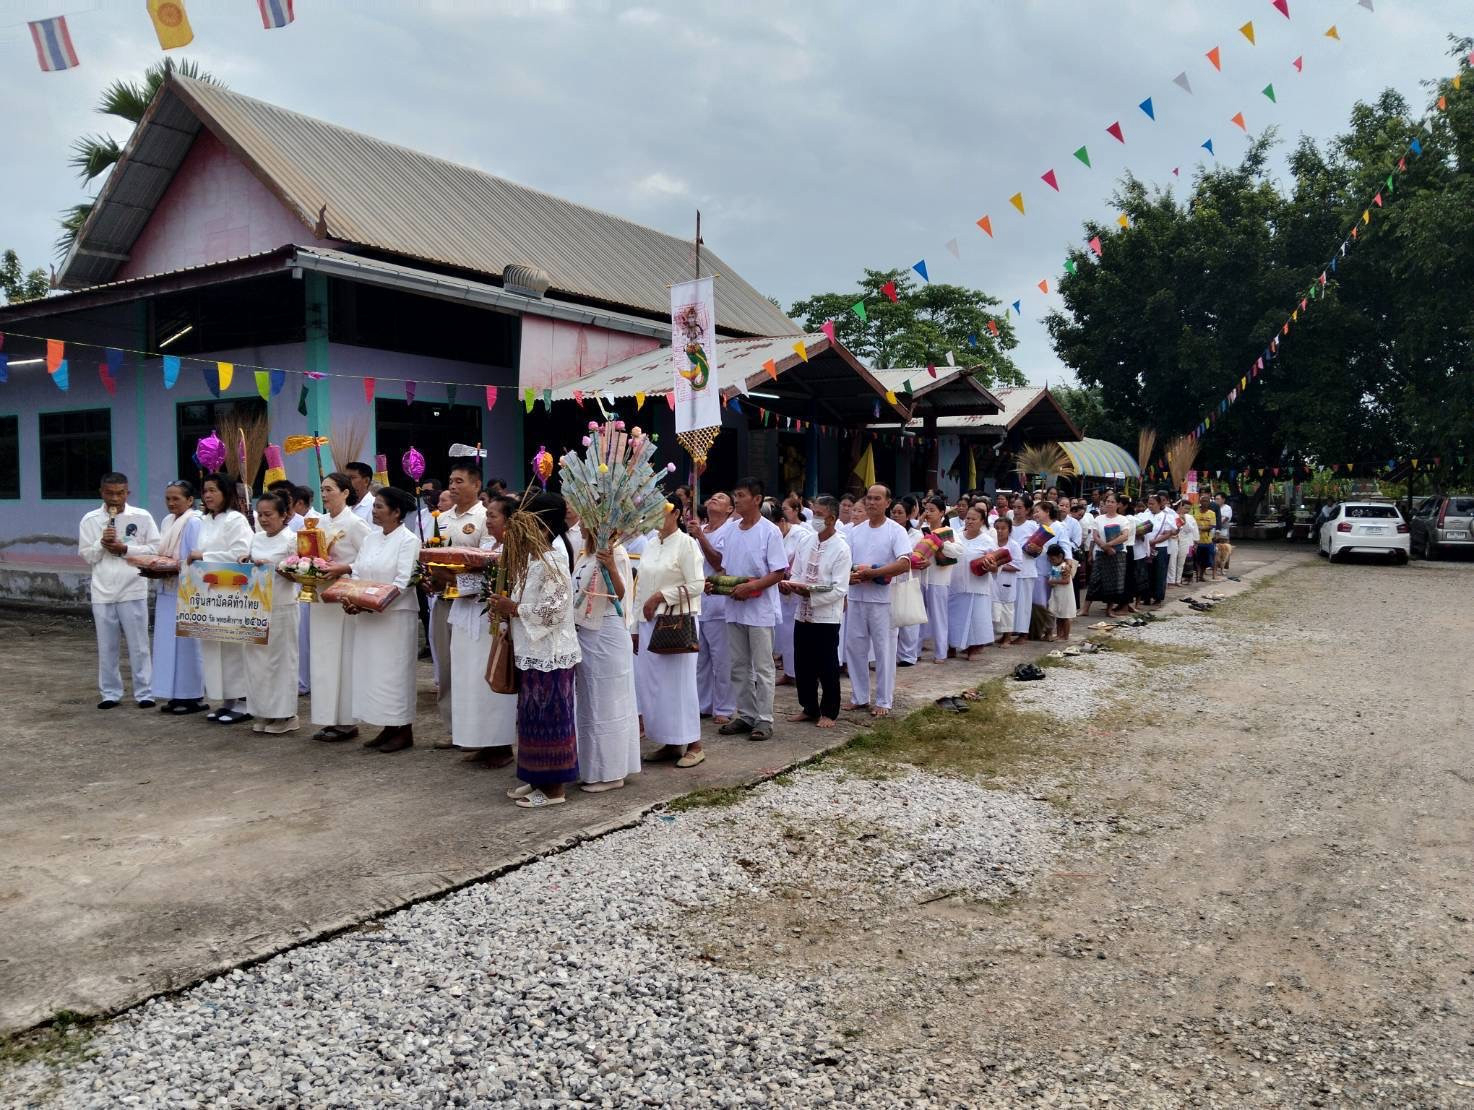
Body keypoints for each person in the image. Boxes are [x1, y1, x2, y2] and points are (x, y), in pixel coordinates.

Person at [491, 493, 581, 809]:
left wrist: (514, 608)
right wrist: (505, 608)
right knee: (531, 718)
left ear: (541, 525)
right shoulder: (533, 558)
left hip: (551, 653)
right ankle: (537, 777)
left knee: (550, 719)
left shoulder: (553, 559)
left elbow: (555, 610)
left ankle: (554, 788)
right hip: (532, 650)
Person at [342, 486, 422, 752]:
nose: (374, 511)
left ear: (396, 512)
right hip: (369, 617)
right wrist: (352, 598)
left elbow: (404, 582)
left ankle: (403, 729)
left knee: (395, 673)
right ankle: (387, 726)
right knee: (373, 672)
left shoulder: (409, 540)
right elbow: (357, 572)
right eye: (374, 506)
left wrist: (371, 603)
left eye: (379, 506)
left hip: (395, 617)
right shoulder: (371, 538)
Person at [713, 478, 788, 741]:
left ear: (756, 499)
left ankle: (764, 719)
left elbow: (778, 572)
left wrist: (752, 587)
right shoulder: (731, 530)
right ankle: (746, 714)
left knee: (763, 667)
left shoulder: (770, 531)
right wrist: (716, 584)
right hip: (734, 607)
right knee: (739, 665)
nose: (737, 500)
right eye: (735, 494)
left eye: (742, 495)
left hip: (760, 610)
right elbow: (725, 568)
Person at [80, 472, 160, 710]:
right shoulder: (90, 520)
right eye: (110, 493)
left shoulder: (142, 516)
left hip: (132, 587)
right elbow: (87, 556)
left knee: (139, 645)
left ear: (128, 493)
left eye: (120, 493)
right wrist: (101, 543)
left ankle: (145, 692)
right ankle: (110, 693)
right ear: (101, 493)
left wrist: (125, 548)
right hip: (103, 590)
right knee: (107, 646)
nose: (115, 498)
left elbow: (155, 548)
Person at [449, 493, 518, 768]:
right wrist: (450, 578)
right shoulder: (486, 544)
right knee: (467, 681)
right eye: (486, 515)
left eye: (493, 516)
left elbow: (507, 584)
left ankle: (500, 745)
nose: (487, 521)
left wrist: (460, 580)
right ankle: (478, 740)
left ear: (509, 520)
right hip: (466, 616)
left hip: (492, 622)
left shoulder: (515, 549)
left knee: (491, 680)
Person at [635, 501, 706, 767]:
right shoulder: (651, 544)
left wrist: (661, 596)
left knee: (680, 685)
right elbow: (640, 588)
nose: (655, 517)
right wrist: (634, 627)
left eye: (661, 512)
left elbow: (697, 584)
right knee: (655, 687)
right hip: (648, 622)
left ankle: (695, 744)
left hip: (677, 622)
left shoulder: (686, 544)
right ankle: (671, 741)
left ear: (676, 513)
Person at [572, 532, 639, 792]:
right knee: (589, 703)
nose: (581, 525)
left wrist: (610, 565)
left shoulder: (616, 552)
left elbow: (620, 593)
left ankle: (611, 772)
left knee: (608, 704)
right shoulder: (585, 554)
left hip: (606, 633)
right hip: (586, 634)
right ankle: (591, 768)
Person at [426, 461, 487, 749]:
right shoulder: (441, 518)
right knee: (447, 666)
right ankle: (453, 727)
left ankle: (476, 728)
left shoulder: (485, 517)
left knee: (472, 666)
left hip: (473, 603)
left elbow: (487, 562)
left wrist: (453, 576)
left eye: (460, 481)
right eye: (451, 480)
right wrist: (431, 578)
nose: (453, 486)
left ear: (476, 485)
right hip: (444, 600)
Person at [309, 472, 372, 743]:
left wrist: (345, 568)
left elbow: (368, 560)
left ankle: (346, 721)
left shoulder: (356, 524)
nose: (324, 495)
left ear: (346, 492)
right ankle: (328, 717)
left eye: (330, 489)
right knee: (323, 659)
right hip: (321, 597)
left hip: (344, 599)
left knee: (344, 659)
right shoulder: (318, 523)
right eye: (322, 489)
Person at [188, 472, 254, 724]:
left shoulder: (235, 519)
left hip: (231, 592)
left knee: (234, 647)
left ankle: (244, 702)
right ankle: (226, 700)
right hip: (209, 593)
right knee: (214, 647)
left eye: (213, 490)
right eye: (205, 490)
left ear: (226, 493)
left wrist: (204, 556)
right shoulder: (204, 520)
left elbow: (241, 553)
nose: (207, 495)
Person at [844, 484, 913, 718]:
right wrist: (850, 576)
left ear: (887, 503)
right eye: (869, 498)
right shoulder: (855, 531)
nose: (872, 502)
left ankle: (884, 699)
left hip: (884, 600)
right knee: (855, 648)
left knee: (884, 651)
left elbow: (904, 563)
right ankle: (859, 697)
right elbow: (844, 561)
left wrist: (873, 573)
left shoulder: (896, 531)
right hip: (856, 597)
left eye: (877, 499)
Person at [783, 495, 850, 727]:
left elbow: (839, 588)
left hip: (826, 616)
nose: (815, 519)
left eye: (820, 515)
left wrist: (811, 594)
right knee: (803, 663)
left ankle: (829, 711)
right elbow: (797, 572)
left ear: (832, 518)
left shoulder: (841, 548)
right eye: (815, 513)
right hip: (802, 613)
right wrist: (793, 586)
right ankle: (809, 707)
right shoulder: (807, 541)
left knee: (827, 664)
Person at [243, 491, 301, 734]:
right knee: (256, 662)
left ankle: (286, 715)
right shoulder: (256, 538)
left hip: (282, 605)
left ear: (283, 515)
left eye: (269, 514)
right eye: (260, 515)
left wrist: (275, 568)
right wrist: (246, 561)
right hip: (256, 606)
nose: (264, 519)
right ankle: (264, 712)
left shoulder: (292, 540)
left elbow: (299, 574)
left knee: (280, 661)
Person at [150, 480, 206, 714]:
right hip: (167, 588)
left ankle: (191, 695)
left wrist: (175, 567)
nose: (171, 503)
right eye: (168, 499)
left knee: (186, 645)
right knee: (167, 643)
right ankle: (173, 693)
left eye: (176, 499)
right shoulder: (167, 521)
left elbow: (195, 558)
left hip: (186, 589)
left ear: (190, 500)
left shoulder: (194, 522)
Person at [687, 491, 736, 724]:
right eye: (713, 496)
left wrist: (700, 537)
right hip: (698, 602)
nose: (715, 498)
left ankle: (724, 707)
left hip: (719, 603)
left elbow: (718, 563)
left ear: (729, 509)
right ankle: (703, 704)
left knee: (722, 660)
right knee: (700, 659)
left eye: (721, 498)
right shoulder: (700, 528)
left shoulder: (730, 530)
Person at [772, 497, 816, 688]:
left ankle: (802, 674)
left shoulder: (801, 533)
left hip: (797, 589)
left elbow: (806, 557)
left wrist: (789, 575)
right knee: (784, 634)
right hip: (779, 589)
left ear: (782, 521)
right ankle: (789, 672)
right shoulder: (774, 536)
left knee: (797, 634)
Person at [914, 496, 962, 665]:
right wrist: (919, 525)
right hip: (921, 578)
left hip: (939, 579)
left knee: (939, 616)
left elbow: (958, 551)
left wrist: (941, 544)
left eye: (932, 510)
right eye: (926, 510)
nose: (928, 513)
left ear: (942, 512)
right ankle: (915, 651)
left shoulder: (948, 532)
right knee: (918, 617)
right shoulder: (921, 531)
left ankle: (941, 652)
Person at [949, 506, 995, 659]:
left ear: (982, 521)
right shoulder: (956, 537)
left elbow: (996, 564)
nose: (969, 521)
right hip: (956, 584)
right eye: (968, 518)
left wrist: (992, 567)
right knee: (954, 617)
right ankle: (951, 645)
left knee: (976, 619)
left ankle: (974, 647)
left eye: (974, 519)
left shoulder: (988, 540)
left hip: (978, 585)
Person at [1086, 493, 1133, 616]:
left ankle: (1109, 609)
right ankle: (1085, 609)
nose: (1109, 504)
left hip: (1117, 553)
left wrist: (1109, 545)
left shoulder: (1123, 519)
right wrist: (1104, 547)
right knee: (1094, 579)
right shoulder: (1098, 519)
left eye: (1112, 502)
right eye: (1107, 501)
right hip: (1101, 552)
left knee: (1113, 581)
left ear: (1118, 504)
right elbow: (1095, 536)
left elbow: (1125, 536)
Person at [890, 499, 923, 666]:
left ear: (909, 515)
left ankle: (908, 655)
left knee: (908, 617)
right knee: (890, 617)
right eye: (893, 512)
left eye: (900, 512)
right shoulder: (888, 531)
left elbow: (919, 556)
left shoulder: (916, 535)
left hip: (909, 578)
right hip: (888, 579)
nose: (896, 515)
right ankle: (891, 654)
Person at [991, 516, 1023, 646]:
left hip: (1007, 582)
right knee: (993, 607)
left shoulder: (1014, 545)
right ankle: (997, 636)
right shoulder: (991, 543)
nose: (999, 531)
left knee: (1007, 610)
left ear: (1009, 530)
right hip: (993, 581)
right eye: (997, 528)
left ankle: (1007, 638)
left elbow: (1018, 566)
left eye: (1003, 528)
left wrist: (999, 566)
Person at [1145, 492, 1178, 607]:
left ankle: (1158, 597)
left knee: (1159, 572)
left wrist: (1154, 542)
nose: (1150, 506)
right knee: (1147, 572)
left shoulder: (1167, 516)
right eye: (1149, 504)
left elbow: (1169, 533)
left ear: (1159, 504)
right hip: (1146, 548)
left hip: (1160, 547)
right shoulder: (1144, 515)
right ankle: (1146, 596)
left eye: (1152, 504)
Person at [1045, 543, 1078, 641]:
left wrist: (1053, 582)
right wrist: (1052, 582)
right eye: (1050, 560)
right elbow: (1054, 578)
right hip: (1057, 593)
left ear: (1060, 556)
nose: (1051, 561)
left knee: (1065, 616)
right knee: (1059, 615)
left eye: (1053, 559)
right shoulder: (1055, 567)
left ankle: (1065, 635)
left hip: (1065, 594)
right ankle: (1059, 634)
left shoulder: (1064, 567)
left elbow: (1066, 581)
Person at [1170, 498, 1198, 589]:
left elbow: (1190, 530)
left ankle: (1178, 580)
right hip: (1173, 540)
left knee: (1181, 562)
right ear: (1180, 506)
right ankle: (1171, 580)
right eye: (1185, 508)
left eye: (1189, 508)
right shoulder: (1172, 515)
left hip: (1185, 541)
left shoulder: (1189, 517)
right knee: (1172, 561)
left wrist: (1184, 521)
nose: (1187, 510)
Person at [1193, 499, 1218, 584]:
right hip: (1196, 541)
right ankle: (1197, 576)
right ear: (1200, 502)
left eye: (1206, 501)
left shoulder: (1212, 513)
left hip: (1208, 541)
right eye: (1203, 501)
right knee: (1197, 559)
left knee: (1206, 560)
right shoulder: (1195, 512)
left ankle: (1201, 575)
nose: (1205, 503)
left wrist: (1200, 528)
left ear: (1209, 503)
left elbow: (1212, 526)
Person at [1213, 492, 1234, 575]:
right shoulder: (1214, 507)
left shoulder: (1227, 508)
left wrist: (1217, 524)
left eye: (1218, 499)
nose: (1216, 500)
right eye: (1215, 499)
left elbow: (1225, 519)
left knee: (1225, 550)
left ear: (1223, 499)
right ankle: (1214, 565)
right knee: (1216, 549)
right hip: (1214, 530)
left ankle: (1224, 567)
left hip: (1223, 531)